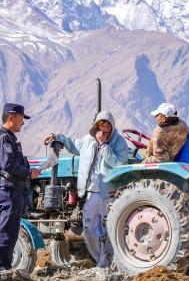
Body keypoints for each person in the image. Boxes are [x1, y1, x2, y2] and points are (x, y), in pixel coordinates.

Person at [44, 110, 130, 268]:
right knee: (89, 229)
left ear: (111, 127)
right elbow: (72, 144)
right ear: (96, 126)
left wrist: (104, 146)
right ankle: (102, 261)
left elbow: (119, 164)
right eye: (100, 125)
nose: (103, 129)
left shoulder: (119, 143)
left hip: (109, 193)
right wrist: (57, 137)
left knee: (108, 230)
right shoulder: (87, 141)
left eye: (107, 125)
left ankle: (109, 263)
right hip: (90, 192)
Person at [0, 103, 40, 271]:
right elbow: (9, 164)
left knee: (11, 231)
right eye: (21, 118)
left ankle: (4, 267)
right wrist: (28, 173)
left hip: (14, 189)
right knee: (6, 230)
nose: (23, 123)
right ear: (11, 117)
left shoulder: (9, 138)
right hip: (9, 190)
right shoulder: (4, 139)